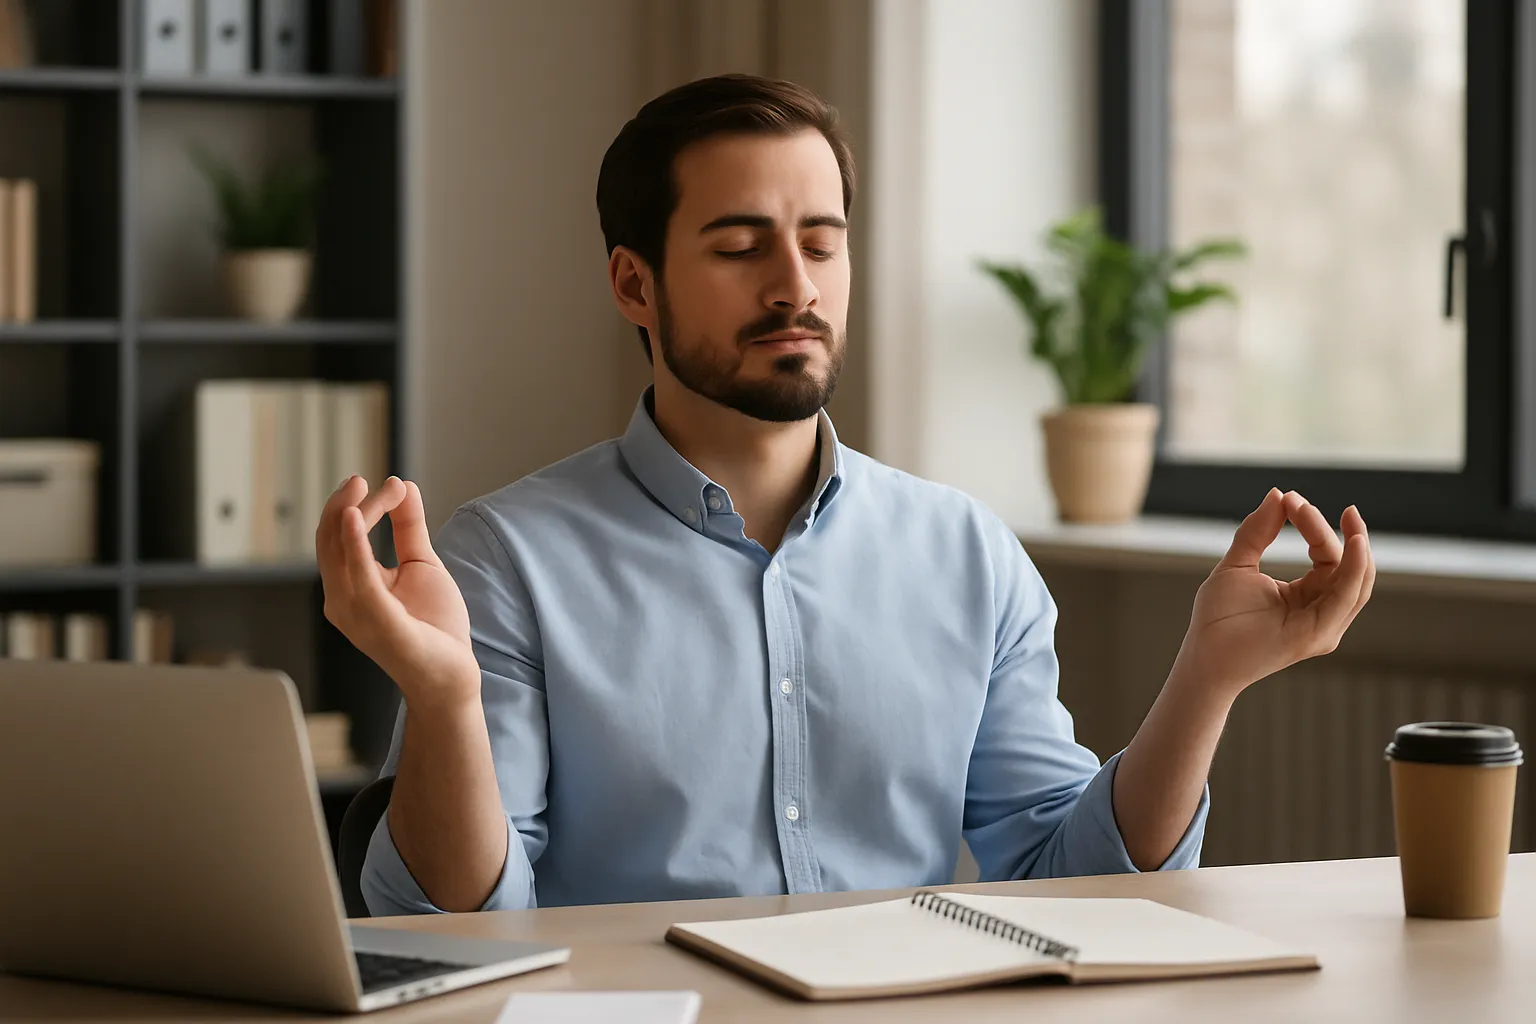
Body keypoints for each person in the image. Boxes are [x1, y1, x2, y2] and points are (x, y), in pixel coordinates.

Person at [317, 75, 1376, 916]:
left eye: (821, 242)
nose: (797, 286)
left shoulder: (968, 551)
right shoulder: (507, 559)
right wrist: (446, 700)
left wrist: (1208, 677)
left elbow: (1071, 881)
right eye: (741, 247)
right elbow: (450, 923)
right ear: (634, 283)